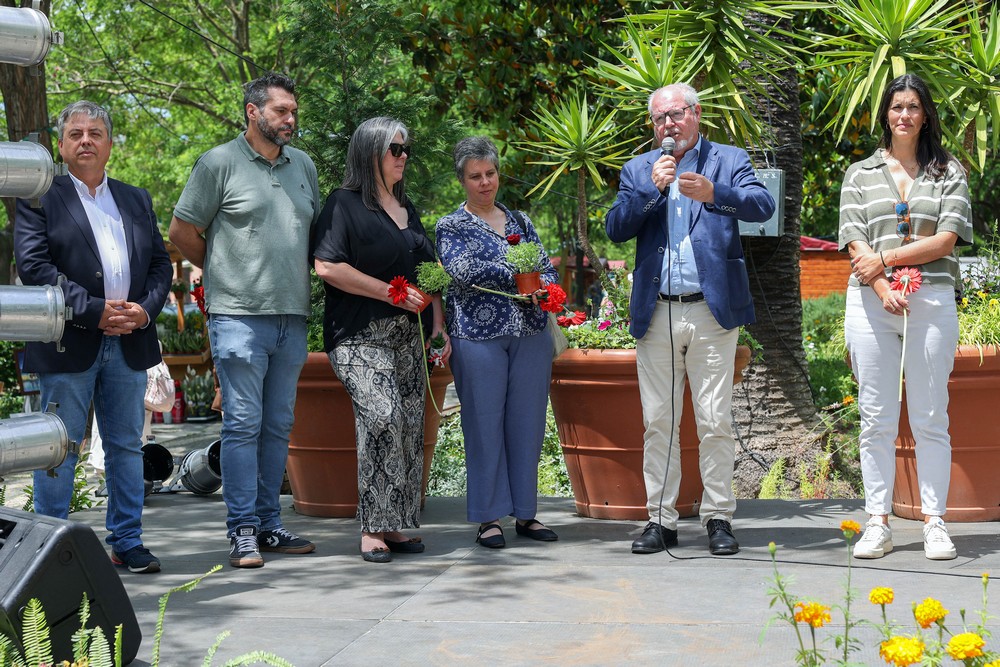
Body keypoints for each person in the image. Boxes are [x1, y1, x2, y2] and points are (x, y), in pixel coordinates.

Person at [605, 83, 775, 556]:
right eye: (660, 119)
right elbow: (616, 228)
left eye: (676, 115)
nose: (668, 125)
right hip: (656, 309)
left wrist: (715, 193)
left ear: (696, 114)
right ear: (652, 125)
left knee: (714, 417)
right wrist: (649, 193)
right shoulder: (640, 169)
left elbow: (763, 206)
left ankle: (718, 517)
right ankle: (661, 521)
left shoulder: (728, 159)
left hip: (710, 309)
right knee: (659, 419)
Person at [14, 100, 172, 573]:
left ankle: (127, 540)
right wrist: (94, 312)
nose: (86, 140)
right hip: (67, 340)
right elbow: (35, 268)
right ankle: (48, 552)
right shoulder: (39, 196)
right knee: (58, 448)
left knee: (125, 446)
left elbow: (161, 266)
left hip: (129, 341)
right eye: (76, 133)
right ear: (61, 146)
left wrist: (143, 311)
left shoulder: (136, 198)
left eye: (96, 133)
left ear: (109, 145)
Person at [169, 72, 320, 568]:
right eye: (281, 111)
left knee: (278, 425)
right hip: (237, 316)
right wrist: (222, 272)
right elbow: (183, 230)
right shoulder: (218, 162)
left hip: (291, 317)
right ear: (253, 112)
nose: (290, 119)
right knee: (242, 424)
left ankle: (269, 525)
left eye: (293, 111)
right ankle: (242, 532)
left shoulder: (305, 167)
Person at [840, 73, 972, 561]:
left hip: (932, 300)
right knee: (875, 417)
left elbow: (945, 241)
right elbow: (854, 241)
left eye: (913, 107)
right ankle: (877, 521)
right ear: (885, 115)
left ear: (926, 114)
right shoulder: (860, 174)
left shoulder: (949, 172)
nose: (904, 116)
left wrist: (888, 262)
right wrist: (878, 285)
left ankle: (935, 521)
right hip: (870, 305)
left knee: (930, 415)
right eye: (896, 107)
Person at [312, 117, 449, 563]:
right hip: (358, 335)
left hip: (407, 336)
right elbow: (328, 267)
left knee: (409, 423)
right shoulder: (343, 204)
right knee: (383, 414)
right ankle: (372, 527)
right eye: (395, 149)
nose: (403, 156)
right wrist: (388, 292)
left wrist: (437, 323)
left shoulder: (407, 210)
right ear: (370, 152)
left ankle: (396, 524)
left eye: (406, 148)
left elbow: (430, 275)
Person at [436, 136, 560, 549]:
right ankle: (488, 518)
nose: (485, 182)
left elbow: (546, 267)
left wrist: (546, 288)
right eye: (475, 176)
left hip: (531, 333)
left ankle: (526, 514)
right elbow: (462, 270)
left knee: (528, 424)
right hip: (476, 336)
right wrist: (520, 277)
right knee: (484, 425)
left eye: (490, 174)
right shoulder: (451, 225)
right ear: (463, 180)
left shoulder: (520, 221)